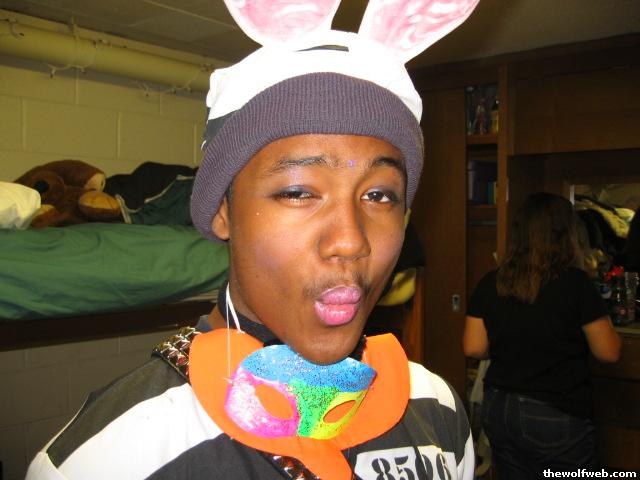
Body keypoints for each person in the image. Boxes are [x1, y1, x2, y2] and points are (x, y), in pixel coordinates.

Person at [27, 1, 481, 479]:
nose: (350, 241)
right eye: (298, 192)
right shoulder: (105, 459)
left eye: (379, 195)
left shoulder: (437, 409)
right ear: (223, 211)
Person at [463, 192, 621, 479]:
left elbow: (473, 347)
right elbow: (608, 352)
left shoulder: (492, 281)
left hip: (500, 408)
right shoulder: (576, 284)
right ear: (568, 234)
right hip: (555, 411)